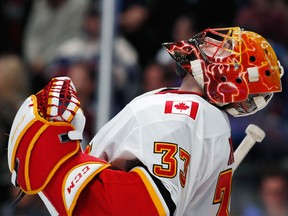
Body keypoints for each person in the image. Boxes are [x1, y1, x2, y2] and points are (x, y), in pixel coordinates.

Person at [7, 27, 284, 215]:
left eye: (225, 52)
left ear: (229, 78)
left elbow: (138, 208)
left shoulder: (184, 115)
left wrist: (55, 162)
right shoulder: (199, 118)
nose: (213, 47)